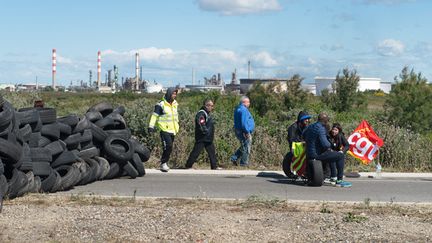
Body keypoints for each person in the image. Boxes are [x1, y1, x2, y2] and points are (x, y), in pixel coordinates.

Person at [303, 113, 351, 187]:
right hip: (317, 155)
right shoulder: (321, 128)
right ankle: (339, 180)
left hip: (309, 154)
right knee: (340, 155)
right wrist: (330, 146)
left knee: (332, 155)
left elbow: (303, 135)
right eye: (327, 120)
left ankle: (333, 177)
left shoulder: (310, 126)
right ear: (325, 121)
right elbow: (325, 144)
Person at [148, 88, 179, 172]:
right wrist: (151, 126)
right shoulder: (160, 104)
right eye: (173, 94)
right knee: (168, 146)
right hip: (164, 129)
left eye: (175, 94)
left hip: (173, 129)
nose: (174, 96)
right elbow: (154, 116)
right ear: (169, 94)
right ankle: (163, 163)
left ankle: (165, 162)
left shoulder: (175, 104)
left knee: (170, 147)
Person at [185, 99, 221, 170]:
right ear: (207, 105)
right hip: (202, 137)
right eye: (211, 106)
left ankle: (214, 166)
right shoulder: (201, 113)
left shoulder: (206, 113)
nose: (212, 107)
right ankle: (188, 166)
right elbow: (201, 124)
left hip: (207, 138)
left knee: (212, 152)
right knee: (196, 152)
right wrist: (206, 132)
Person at [282, 111, 311, 177]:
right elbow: (291, 139)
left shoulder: (307, 127)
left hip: (305, 147)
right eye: (305, 119)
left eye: (308, 119)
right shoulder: (293, 127)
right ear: (301, 119)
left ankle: (306, 172)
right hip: (295, 147)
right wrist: (301, 142)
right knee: (290, 156)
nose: (307, 120)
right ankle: (291, 173)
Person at [230, 96, 255, 166]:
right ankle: (244, 163)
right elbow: (243, 123)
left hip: (239, 130)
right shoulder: (244, 110)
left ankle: (234, 158)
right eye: (248, 102)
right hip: (244, 131)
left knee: (244, 146)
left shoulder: (238, 109)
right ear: (244, 102)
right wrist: (246, 132)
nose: (249, 103)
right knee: (246, 147)